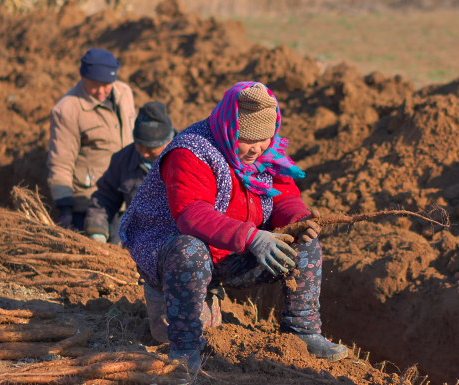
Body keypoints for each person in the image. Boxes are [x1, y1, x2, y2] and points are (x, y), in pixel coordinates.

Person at [119, 82, 348, 370]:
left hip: (231, 250)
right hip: (175, 257)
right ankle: (185, 350)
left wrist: (296, 221)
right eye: (246, 139)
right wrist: (250, 237)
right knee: (190, 251)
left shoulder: (265, 153)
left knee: (305, 244)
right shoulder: (192, 151)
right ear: (228, 128)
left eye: (264, 139)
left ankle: (302, 332)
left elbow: (284, 196)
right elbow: (192, 214)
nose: (256, 149)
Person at [47, 48, 136, 230]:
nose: (101, 91)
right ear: (83, 77)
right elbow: (61, 163)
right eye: (95, 84)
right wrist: (64, 208)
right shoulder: (67, 110)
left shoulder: (124, 93)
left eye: (107, 84)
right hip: (90, 201)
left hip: (126, 199)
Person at [85, 102, 176, 244]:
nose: (144, 154)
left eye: (151, 149)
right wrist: (97, 231)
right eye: (140, 146)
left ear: (168, 141)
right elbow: (104, 198)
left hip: (176, 236)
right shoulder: (123, 159)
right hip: (138, 234)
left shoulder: (187, 158)